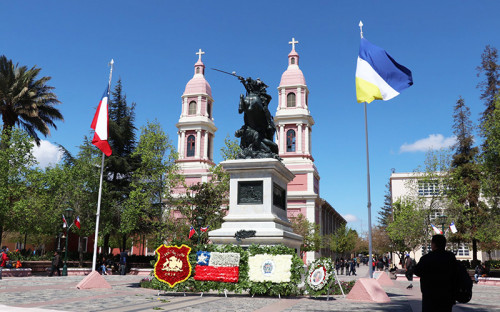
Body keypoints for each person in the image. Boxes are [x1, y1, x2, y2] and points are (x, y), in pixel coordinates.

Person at [414, 235, 457, 312]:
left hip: (430, 295)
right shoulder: (450, 258)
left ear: (433, 244)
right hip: (447, 295)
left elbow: (417, 271)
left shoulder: (427, 258)